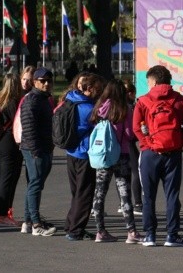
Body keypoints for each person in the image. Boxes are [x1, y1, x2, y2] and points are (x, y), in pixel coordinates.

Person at [133, 65, 183, 247]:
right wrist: (178, 142)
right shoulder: (180, 100)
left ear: (153, 81)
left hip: (149, 154)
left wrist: (147, 143)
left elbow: (137, 127)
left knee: (148, 196)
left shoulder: (143, 101)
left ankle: (150, 235)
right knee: (172, 195)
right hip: (173, 154)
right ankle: (172, 235)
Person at [89, 80, 143, 244]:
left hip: (103, 155)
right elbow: (129, 133)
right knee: (124, 194)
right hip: (121, 154)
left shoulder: (99, 108)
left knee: (99, 193)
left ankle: (100, 231)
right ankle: (131, 232)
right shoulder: (125, 108)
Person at [64, 73, 106, 241]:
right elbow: (102, 122)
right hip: (84, 153)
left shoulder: (70, 100)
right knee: (85, 194)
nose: (100, 92)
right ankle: (75, 230)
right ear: (89, 89)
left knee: (77, 192)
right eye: (98, 89)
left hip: (71, 152)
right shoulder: (88, 109)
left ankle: (70, 224)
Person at [19, 67, 57, 236]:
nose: (47, 83)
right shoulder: (32, 100)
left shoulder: (44, 99)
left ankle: (28, 221)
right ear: (35, 82)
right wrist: (36, 151)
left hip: (43, 147)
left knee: (34, 184)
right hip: (35, 148)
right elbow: (28, 127)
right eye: (43, 81)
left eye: (49, 80)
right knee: (35, 184)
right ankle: (35, 224)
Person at [0, 73, 24, 227]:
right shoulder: (13, 101)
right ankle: (2, 215)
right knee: (7, 179)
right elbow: (18, 122)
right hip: (8, 142)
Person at [123, 81, 142, 216]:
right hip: (128, 142)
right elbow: (132, 129)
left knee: (122, 175)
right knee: (136, 172)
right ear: (130, 93)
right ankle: (137, 203)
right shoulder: (130, 107)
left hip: (118, 143)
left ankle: (123, 202)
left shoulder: (114, 105)